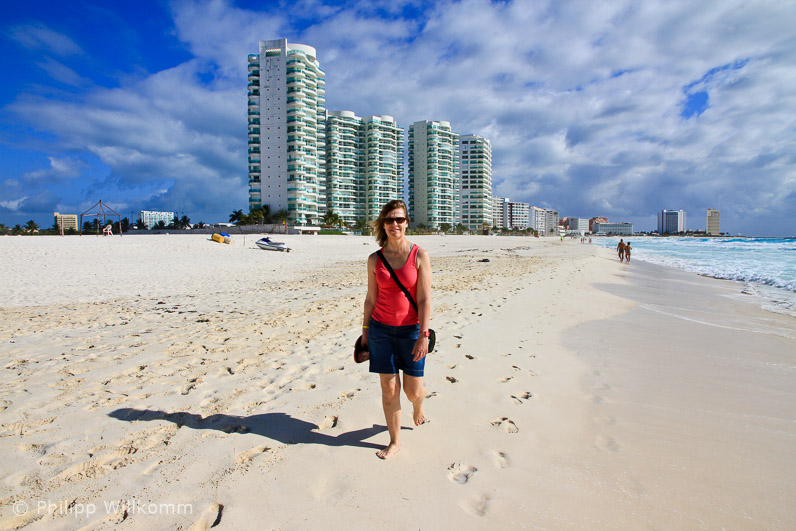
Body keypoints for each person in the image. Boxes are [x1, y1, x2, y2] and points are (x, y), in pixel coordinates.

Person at [362, 199, 432, 459]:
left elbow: (424, 298)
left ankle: (419, 405)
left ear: (406, 222)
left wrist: (424, 335)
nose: (395, 224)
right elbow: (370, 298)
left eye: (399, 219)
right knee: (389, 388)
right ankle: (395, 442)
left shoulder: (419, 255)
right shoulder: (374, 259)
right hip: (380, 330)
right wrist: (366, 331)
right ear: (384, 223)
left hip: (411, 331)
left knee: (413, 391)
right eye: (390, 219)